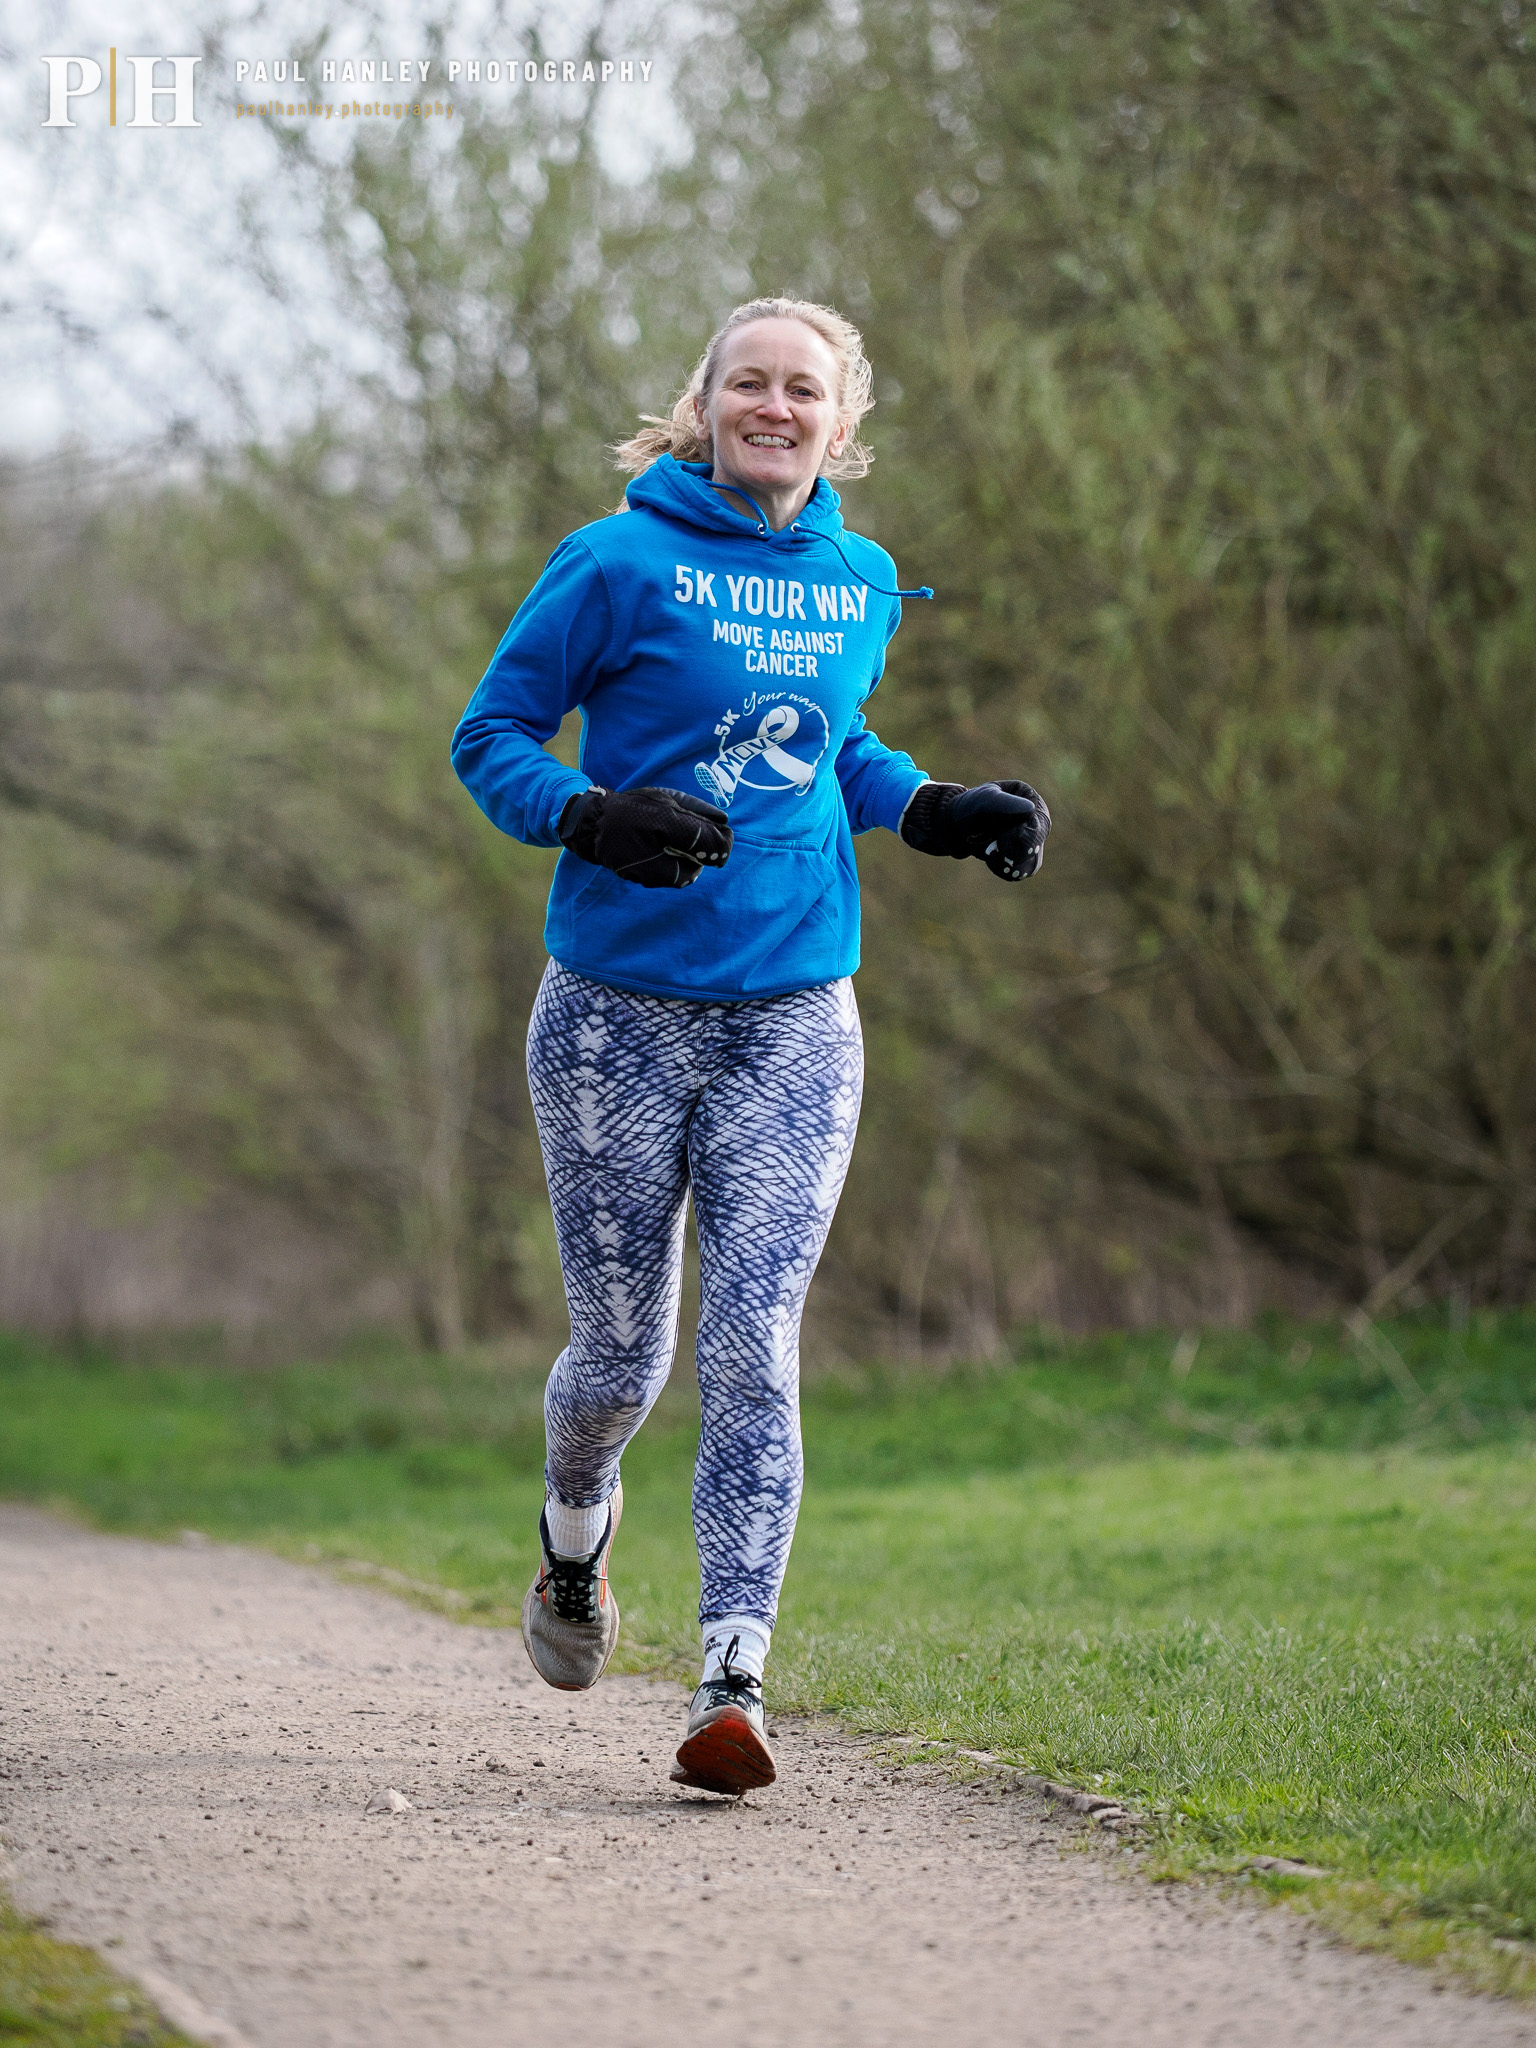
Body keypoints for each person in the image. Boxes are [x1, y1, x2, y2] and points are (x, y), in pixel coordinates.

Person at [450, 295, 1049, 1797]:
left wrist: (932, 809)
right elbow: (493, 738)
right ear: (703, 405)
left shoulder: (859, 579)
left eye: (807, 391)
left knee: (755, 1342)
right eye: (750, 384)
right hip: (613, 1017)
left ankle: (734, 1679)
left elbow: (831, 742)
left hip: (796, 1013)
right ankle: (572, 1537)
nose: (776, 409)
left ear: (843, 428)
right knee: (620, 1356)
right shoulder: (614, 562)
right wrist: (591, 814)